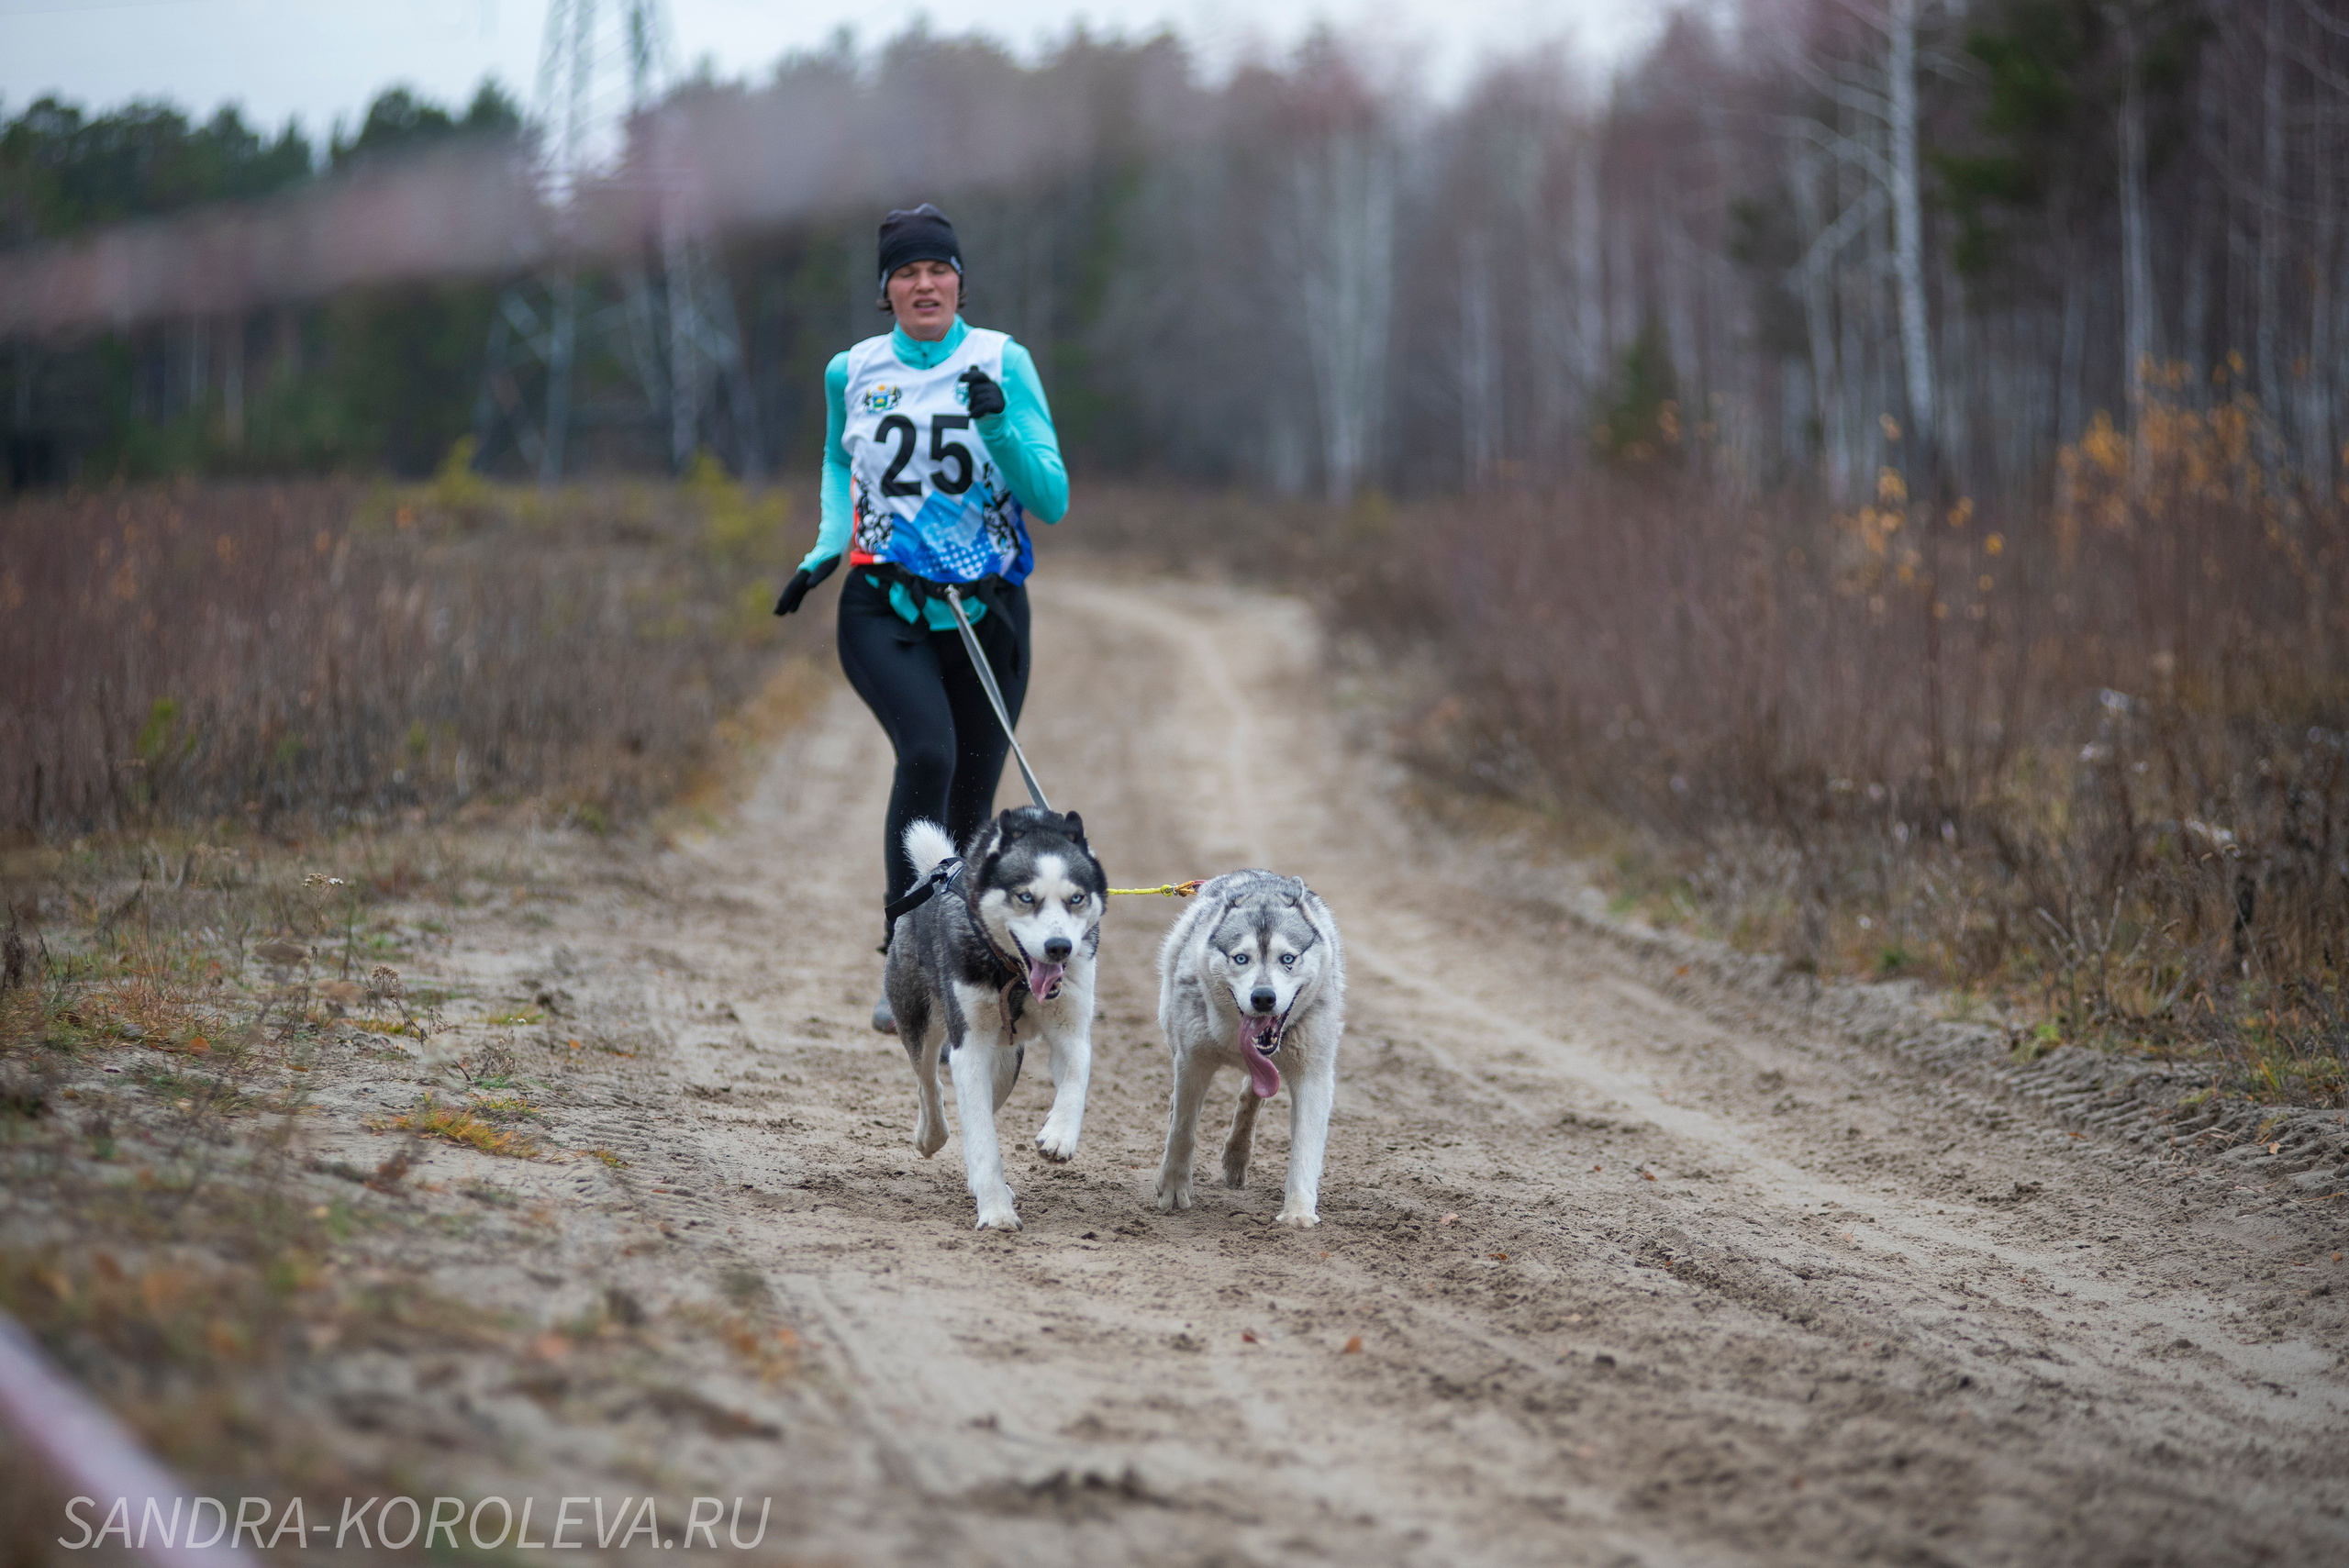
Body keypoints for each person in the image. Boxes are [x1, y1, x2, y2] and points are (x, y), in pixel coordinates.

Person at [773, 203, 1069, 1034]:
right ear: (887, 289)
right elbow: (837, 459)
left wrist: (998, 423)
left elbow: (1050, 496)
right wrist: (827, 546)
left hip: (988, 612)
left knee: (973, 800)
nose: (925, 284)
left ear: (960, 281)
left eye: (939, 269)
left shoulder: (1003, 361)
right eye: (907, 272)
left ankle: (961, 974)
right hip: (886, 603)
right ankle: (902, 951)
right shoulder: (851, 370)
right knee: (929, 752)